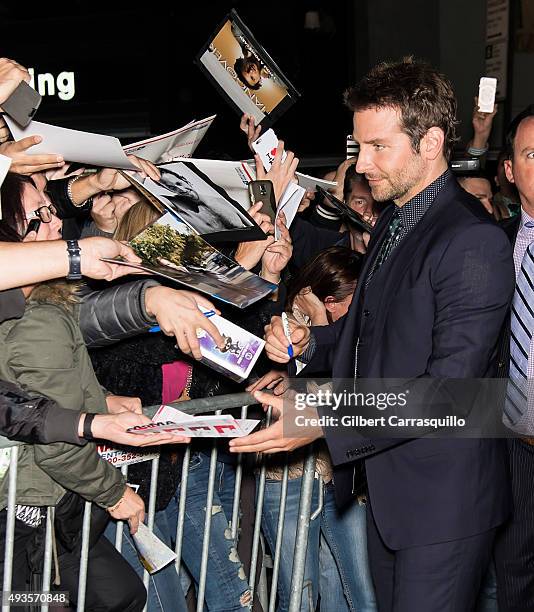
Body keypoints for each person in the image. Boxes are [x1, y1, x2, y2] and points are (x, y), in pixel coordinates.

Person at [231, 57, 514, 612]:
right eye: (359, 147)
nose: (363, 165)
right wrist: (311, 346)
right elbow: (370, 340)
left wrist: (322, 418)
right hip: (390, 492)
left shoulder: (471, 241)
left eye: (379, 147)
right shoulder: (394, 219)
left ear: (431, 142)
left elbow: (448, 393)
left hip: (441, 504)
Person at [0, 171, 150, 610]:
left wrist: (101, 403)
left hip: (46, 505)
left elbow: (36, 399)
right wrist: (116, 494)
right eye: (40, 217)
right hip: (29, 508)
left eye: (52, 210)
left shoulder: (40, 303)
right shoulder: (34, 320)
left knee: (119, 595)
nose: (58, 225)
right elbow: (53, 442)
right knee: (38, 600)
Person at [494, 104, 534, 612]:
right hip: (510, 448)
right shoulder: (487, 246)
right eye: (532, 153)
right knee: (515, 582)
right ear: (509, 169)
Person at [156, 166, 250, 235]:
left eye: (179, 183)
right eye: (171, 187)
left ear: (185, 180)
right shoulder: (175, 204)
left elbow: (250, 225)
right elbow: (158, 199)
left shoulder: (220, 200)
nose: (181, 189)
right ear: (168, 190)